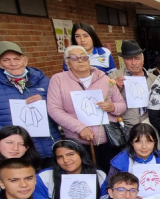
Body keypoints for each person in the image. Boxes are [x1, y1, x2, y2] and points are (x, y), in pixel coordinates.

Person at [0, 41, 59, 161]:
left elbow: (61, 108)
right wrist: (5, 134)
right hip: (15, 151)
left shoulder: (46, 82)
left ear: (25, 60)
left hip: (49, 147)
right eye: (6, 60)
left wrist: (46, 102)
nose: (13, 63)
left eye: (17, 59)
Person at [47, 45, 127, 173]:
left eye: (84, 57)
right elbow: (54, 109)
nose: (80, 60)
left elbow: (122, 105)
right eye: (74, 58)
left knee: (111, 174)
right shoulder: (58, 80)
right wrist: (79, 127)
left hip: (108, 139)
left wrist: (112, 107)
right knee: (87, 175)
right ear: (67, 62)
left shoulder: (105, 79)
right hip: (79, 141)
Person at [37, 139, 109, 199]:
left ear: (81, 154)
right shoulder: (44, 177)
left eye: (70, 154)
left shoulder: (99, 175)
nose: (66, 160)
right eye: (59, 157)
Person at [108, 123, 160, 193]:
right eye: (138, 142)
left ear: (154, 142)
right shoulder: (120, 162)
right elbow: (110, 188)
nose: (144, 147)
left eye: (149, 142)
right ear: (131, 142)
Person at [108, 40, 155, 128]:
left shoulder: (153, 79)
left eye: (137, 58)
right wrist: (115, 88)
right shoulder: (113, 76)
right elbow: (105, 102)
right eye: (129, 59)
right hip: (126, 126)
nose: (133, 63)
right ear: (124, 61)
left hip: (149, 125)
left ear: (142, 60)